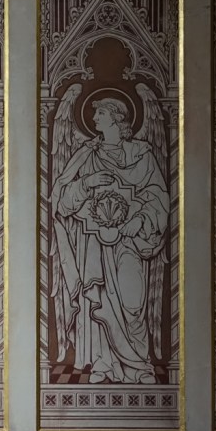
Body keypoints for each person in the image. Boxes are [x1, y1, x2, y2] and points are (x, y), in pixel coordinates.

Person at [51, 97, 169, 384]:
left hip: (130, 242)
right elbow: (62, 202)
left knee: (132, 303)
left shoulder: (141, 154)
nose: (95, 119)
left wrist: (140, 220)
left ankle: (139, 365)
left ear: (117, 118)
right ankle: (104, 364)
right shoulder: (86, 155)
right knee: (99, 300)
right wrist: (87, 183)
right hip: (94, 244)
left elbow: (159, 196)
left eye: (101, 114)